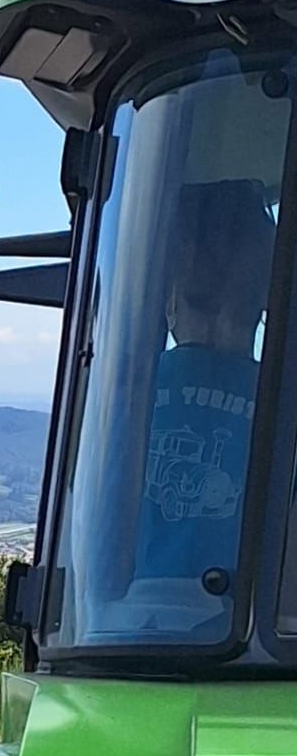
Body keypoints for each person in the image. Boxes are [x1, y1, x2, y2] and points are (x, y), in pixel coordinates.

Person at [136, 178, 276, 584]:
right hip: (247, 633)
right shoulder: (283, 402)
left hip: (124, 628)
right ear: (267, 293)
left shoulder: (121, 396)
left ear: (169, 288)